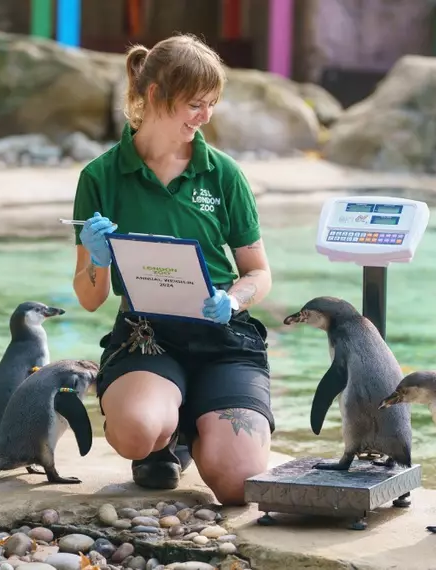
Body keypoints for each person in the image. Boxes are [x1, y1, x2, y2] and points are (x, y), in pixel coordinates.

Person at [70, 34, 274, 506]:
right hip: (146, 335)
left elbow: (258, 272)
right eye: (195, 104)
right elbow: (89, 297)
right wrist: (98, 259)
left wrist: (235, 299)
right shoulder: (99, 177)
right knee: (136, 431)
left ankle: (201, 426)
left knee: (239, 483)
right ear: (155, 93)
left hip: (223, 338)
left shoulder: (223, 174)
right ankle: (164, 438)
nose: (205, 117)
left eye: (212, 105)